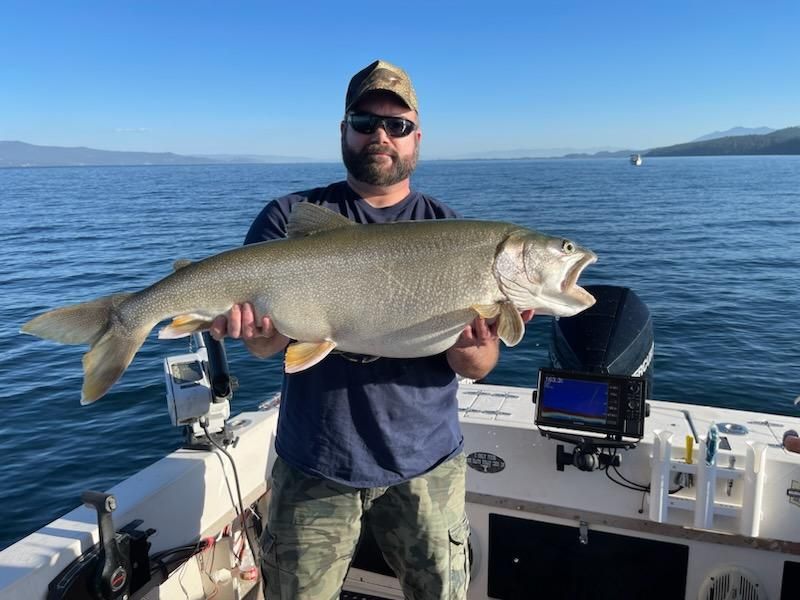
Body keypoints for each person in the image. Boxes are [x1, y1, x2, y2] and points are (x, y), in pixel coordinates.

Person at [211, 59, 533, 600]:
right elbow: (271, 346)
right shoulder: (289, 217)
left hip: (426, 463)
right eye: (365, 122)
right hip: (315, 462)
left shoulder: (450, 232)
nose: (381, 135)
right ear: (344, 130)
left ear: (416, 138)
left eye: (397, 125)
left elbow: (476, 365)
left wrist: (477, 348)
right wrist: (255, 332)